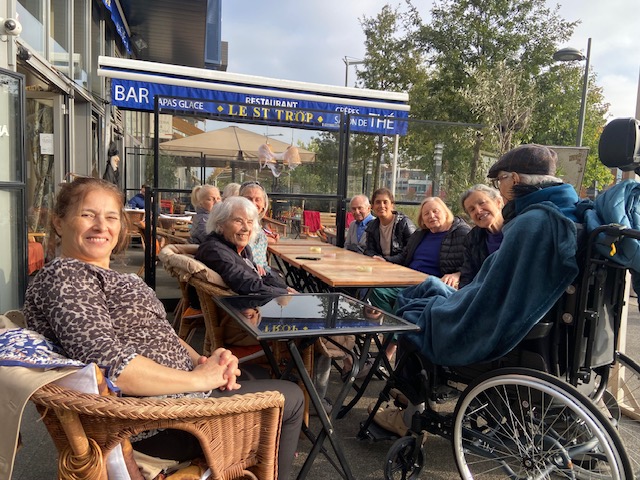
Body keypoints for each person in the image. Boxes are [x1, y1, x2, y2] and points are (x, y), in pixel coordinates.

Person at [22, 177, 303, 479]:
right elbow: (111, 364)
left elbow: (161, 333)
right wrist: (196, 379)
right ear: (59, 223)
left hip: (174, 400)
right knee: (292, 397)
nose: (101, 226)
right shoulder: (67, 276)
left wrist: (203, 361)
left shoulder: (109, 276)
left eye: (111, 217)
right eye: (87, 214)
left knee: (258, 374)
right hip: (154, 421)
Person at [373, 144, 580, 437]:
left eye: (501, 182)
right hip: (546, 324)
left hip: (511, 330)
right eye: (471, 209)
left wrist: (455, 301)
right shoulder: (562, 214)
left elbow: (491, 292)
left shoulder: (530, 224)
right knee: (421, 299)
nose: (502, 188)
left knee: (415, 318)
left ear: (514, 180)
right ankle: (407, 403)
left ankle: (408, 414)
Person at [195, 196, 295, 297]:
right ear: (220, 224)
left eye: (250, 222)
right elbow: (244, 283)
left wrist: (286, 288)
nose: (246, 228)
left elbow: (260, 276)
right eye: (238, 221)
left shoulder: (242, 249)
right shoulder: (214, 250)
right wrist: (285, 294)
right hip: (230, 309)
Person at [458, 185, 504, 288]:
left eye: (482, 203)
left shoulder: (519, 228)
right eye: (472, 209)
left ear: (498, 202)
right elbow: (468, 278)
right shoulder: (472, 239)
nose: (478, 211)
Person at [364, 187, 416, 260]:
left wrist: (387, 260)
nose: (382, 206)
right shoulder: (372, 226)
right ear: (372, 206)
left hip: (400, 266)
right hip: (380, 265)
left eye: (385, 202)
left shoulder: (404, 223)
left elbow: (411, 250)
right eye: (378, 202)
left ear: (392, 205)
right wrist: (375, 257)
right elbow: (369, 250)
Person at [239, 181, 279, 273]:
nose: (253, 203)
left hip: (264, 273)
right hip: (250, 275)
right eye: (248, 199)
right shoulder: (237, 227)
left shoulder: (257, 227)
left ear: (264, 204)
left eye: (258, 199)